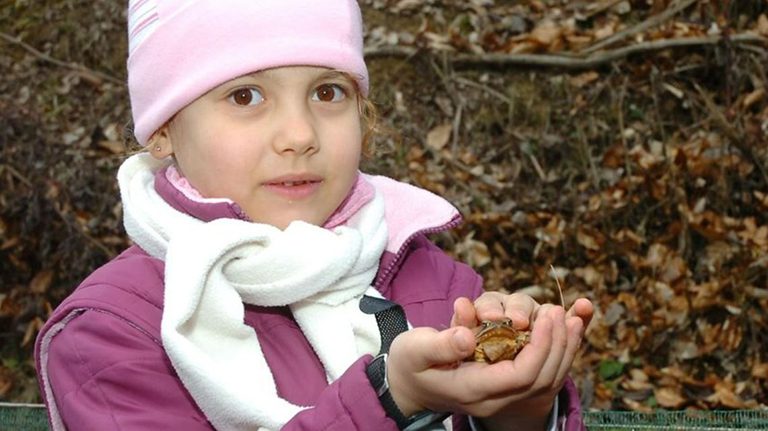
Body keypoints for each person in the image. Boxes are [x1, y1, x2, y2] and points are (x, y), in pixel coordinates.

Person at [34, 0, 594, 430]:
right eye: (246, 97)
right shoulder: (110, 335)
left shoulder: (429, 278)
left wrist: (518, 408)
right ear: (162, 129)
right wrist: (389, 400)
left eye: (328, 92)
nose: (301, 135)